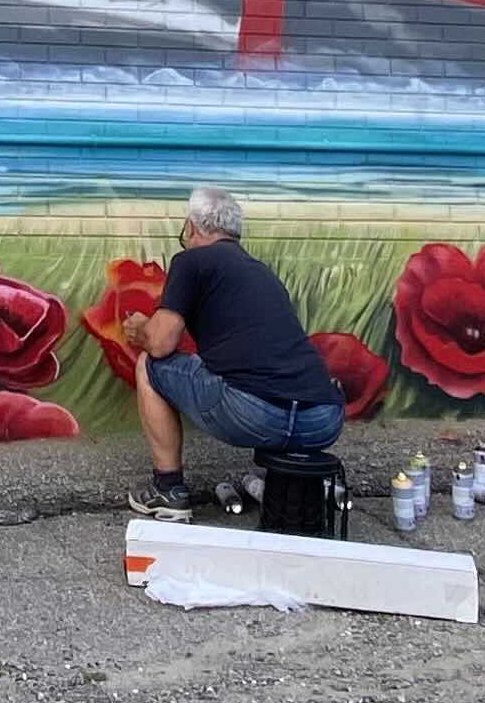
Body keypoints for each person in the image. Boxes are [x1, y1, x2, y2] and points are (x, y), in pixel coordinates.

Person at [122, 187, 345, 517]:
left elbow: (161, 343)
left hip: (255, 415)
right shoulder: (262, 271)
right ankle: (290, 490)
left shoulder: (191, 260)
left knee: (148, 365)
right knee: (239, 375)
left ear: (191, 227)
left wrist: (140, 329)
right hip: (323, 420)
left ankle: (168, 489)